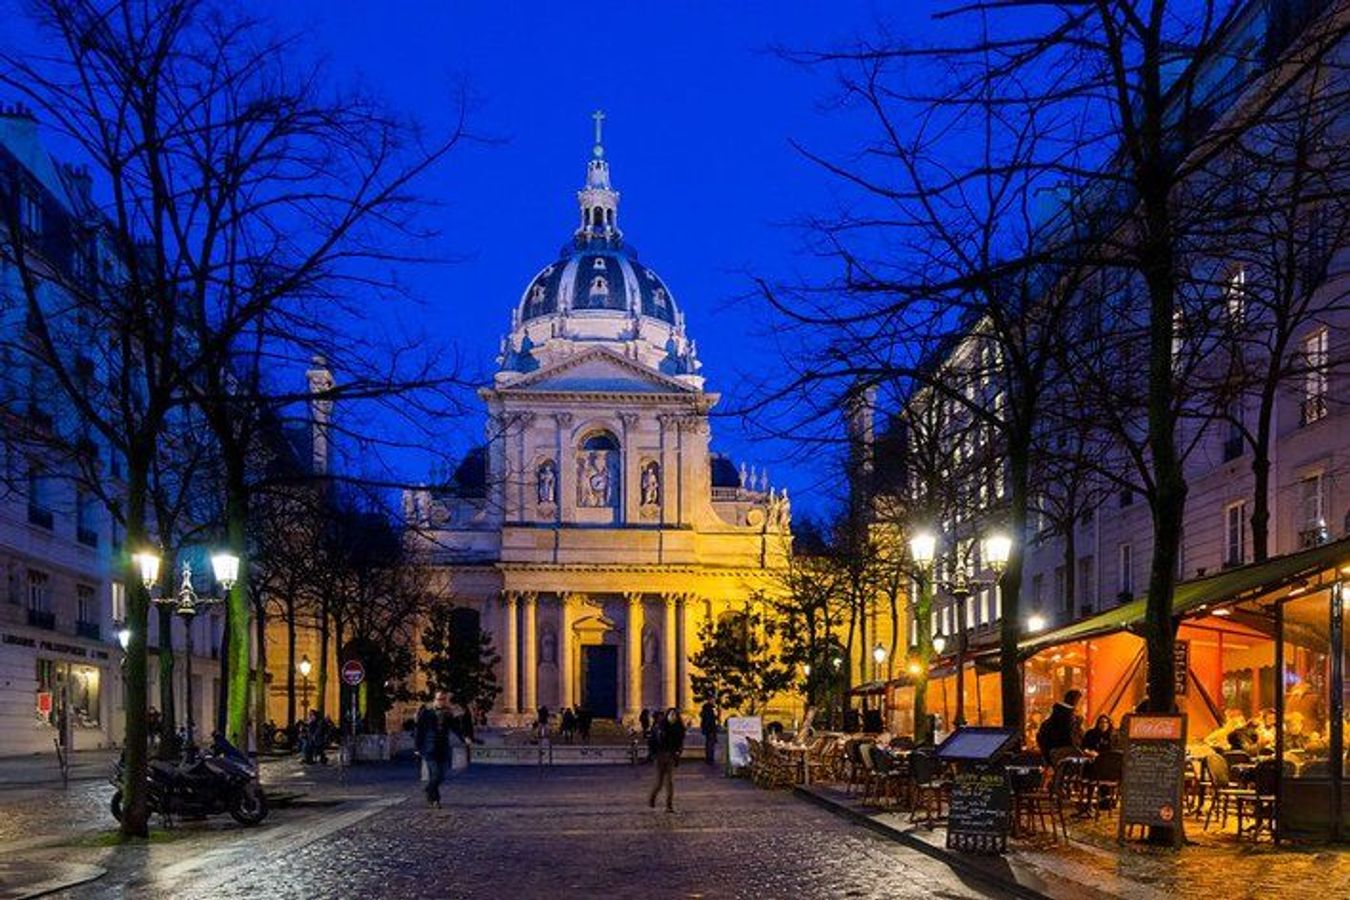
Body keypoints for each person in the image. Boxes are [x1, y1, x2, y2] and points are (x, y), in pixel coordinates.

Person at [415, 691, 457, 808]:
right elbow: (419, 731)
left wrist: (466, 738)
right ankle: (435, 800)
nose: (441, 701)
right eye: (439, 699)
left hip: (443, 748)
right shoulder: (426, 713)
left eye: (443, 699)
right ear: (434, 700)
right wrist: (417, 747)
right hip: (430, 749)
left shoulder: (448, 714)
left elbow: (456, 728)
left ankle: (429, 790)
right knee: (435, 774)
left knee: (442, 775)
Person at [647, 707, 686, 812]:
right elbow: (653, 742)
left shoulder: (679, 729)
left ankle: (669, 805)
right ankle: (652, 798)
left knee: (670, 782)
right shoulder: (660, 727)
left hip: (671, 757)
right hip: (660, 756)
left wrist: (678, 753)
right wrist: (653, 754)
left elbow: (680, 743)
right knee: (659, 783)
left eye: (674, 715)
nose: (672, 717)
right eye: (670, 715)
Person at [1036, 689, 1084, 763]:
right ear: (1076, 702)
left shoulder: (1056, 716)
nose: (1082, 705)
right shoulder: (1068, 718)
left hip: (1054, 756)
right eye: (1081, 702)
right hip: (1065, 757)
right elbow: (1072, 740)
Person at [699, 699, 719, 765]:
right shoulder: (709, 709)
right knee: (710, 745)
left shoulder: (709, 708)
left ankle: (709, 758)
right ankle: (710, 759)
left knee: (709, 744)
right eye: (712, 700)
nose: (714, 702)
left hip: (710, 729)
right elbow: (709, 720)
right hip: (710, 730)